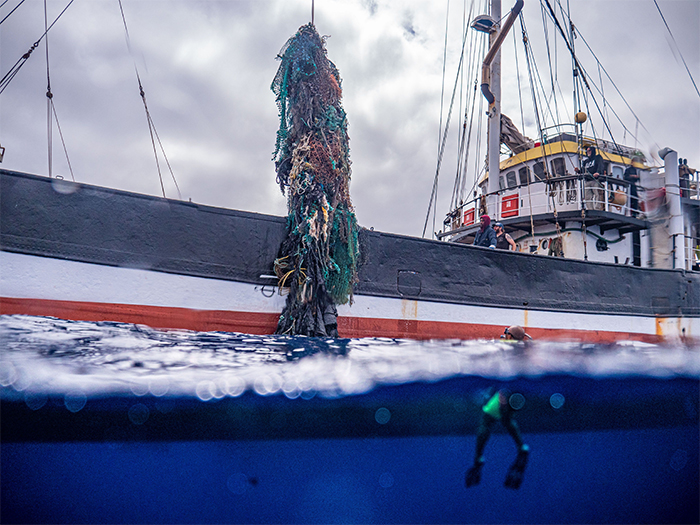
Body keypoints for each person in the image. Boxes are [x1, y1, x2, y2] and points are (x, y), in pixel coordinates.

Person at [575, 146, 605, 210]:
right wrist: (578, 171)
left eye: (589, 151)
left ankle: (597, 209)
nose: (588, 152)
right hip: (588, 181)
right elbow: (583, 171)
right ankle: (590, 209)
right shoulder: (586, 161)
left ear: (593, 151)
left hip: (595, 180)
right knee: (587, 196)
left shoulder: (598, 158)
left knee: (597, 194)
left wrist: (598, 172)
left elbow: (600, 166)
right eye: (587, 151)